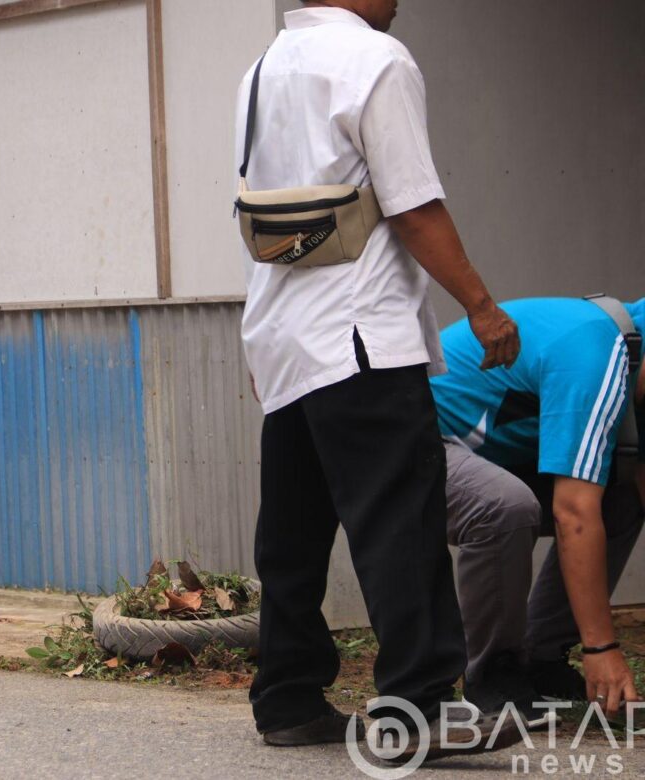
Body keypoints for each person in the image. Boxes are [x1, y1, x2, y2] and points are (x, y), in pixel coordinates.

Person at [236, 0, 522, 755]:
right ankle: (417, 708)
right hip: (361, 334)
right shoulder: (377, 60)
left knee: (293, 532)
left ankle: (289, 698)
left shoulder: (263, 69)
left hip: (285, 334)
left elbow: (263, 209)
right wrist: (482, 307)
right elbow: (413, 205)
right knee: (402, 520)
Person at [432, 297, 645, 721]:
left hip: (486, 456)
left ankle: (541, 658)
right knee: (506, 506)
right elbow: (574, 513)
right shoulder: (596, 354)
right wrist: (601, 648)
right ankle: (493, 673)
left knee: (625, 498)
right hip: (408, 448)